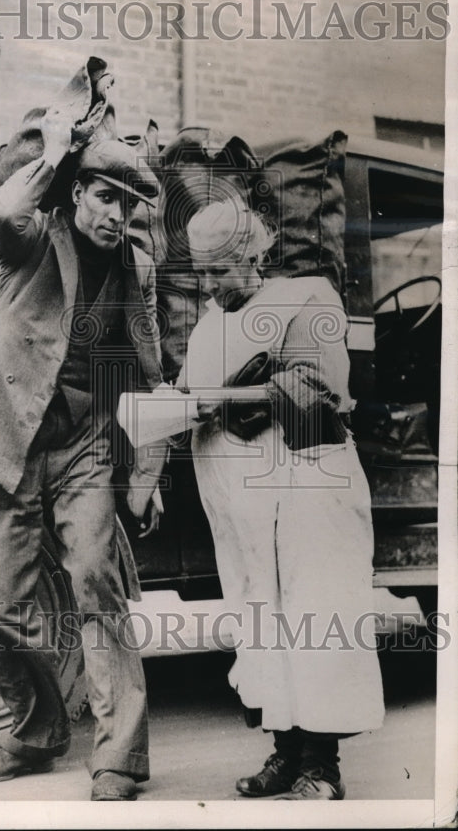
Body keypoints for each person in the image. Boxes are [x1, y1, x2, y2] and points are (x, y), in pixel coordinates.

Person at [0, 109, 162, 801]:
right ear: (76, 193)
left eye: (126, 204)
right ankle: (39, 731)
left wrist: (145, 470)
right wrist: (56, 154)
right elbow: (4, 210)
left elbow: (142, 370)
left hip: (82, 442)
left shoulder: (134, 269)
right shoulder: (33, 237)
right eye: (104, 196)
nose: (114, 214)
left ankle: (118, 757)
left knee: (97, 587)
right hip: (11, 431)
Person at [181, 196, 385, 801]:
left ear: (253, 254)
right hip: (247, 510)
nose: (212, 285)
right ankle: (285, 751)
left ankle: (322, 766)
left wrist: (229, 399)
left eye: (222, 271)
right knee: (262, 620)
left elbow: (320, 397)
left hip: (307, 488)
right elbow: (198, 391)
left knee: (314, 614)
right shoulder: (209, 322)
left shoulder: (305, 300)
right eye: (202, 273)